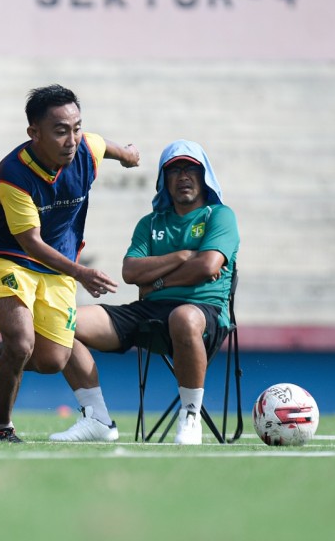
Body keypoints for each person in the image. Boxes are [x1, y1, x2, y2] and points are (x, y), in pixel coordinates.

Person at [0, 85, 140, 442]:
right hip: (10, 256)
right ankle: (2, 428)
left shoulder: (85, 150)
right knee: (19, 343)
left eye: (76, 128)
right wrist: (81, 272)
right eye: (61, 130)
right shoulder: (14, 176)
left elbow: (102, 144)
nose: (72, 138)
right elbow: (30, 243)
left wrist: (126, 154)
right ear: (34, 133)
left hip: (58, 262)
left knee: (51, 361)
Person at [45, 139, 239, 445]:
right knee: (62, 321)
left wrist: (158, 282)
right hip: (149, 312)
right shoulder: (150, 224)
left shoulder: (219, 216)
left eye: (191, 169)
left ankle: (190, 416)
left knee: (183, 318)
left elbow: (208, 265)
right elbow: (131, 272)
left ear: (204, 178)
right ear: (164, 181)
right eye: (174, 171)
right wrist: (181, 256)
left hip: (204, 312)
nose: (184, 176)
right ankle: (96, 419)